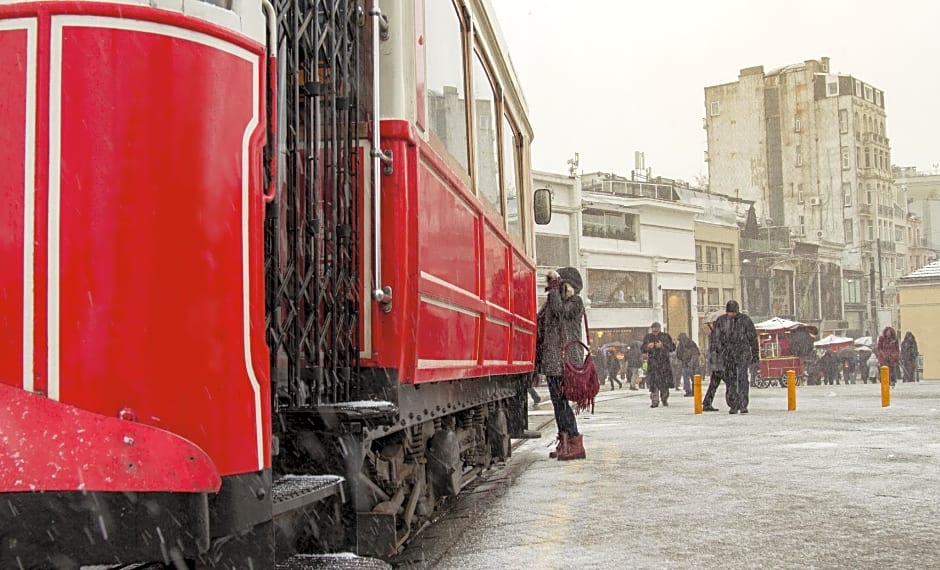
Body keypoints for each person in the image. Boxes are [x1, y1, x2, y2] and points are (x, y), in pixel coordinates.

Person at [534, 267, 587, 461]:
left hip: (565, 362)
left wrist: (555, 289)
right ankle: (564, 442)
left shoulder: (575, 302)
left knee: (563, 404)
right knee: (558, 405)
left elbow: (560, 312)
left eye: (560, 284)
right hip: (552, 362)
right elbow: (541, 323)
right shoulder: (553, 300)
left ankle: (575, 442)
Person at [712, 300, 759, 414]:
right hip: (728, 354)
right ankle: (733, 404)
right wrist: (718, 351)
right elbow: (716, 338)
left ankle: (742, 404)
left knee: (742, 378)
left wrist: (755, 353)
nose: (731, 315)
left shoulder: (745, 320)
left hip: (742, 352)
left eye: (733, 312)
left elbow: (752, 337)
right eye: (729, 312)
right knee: (731, 380)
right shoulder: (722, 321)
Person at [641, 322, 675, 408]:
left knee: (664, 383)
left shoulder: (665, 336)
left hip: (664, 363)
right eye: (653, 330)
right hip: (652, 363)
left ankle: (664, 398)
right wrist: (647, 347)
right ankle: (654, 400)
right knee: (654, 383)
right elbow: (642, 348)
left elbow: (672, 347)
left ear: (660, 329)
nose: (655, 331)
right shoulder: (648, 337)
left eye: (656, 329)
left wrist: (662, 346)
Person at [701, 319, 725, 412]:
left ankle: (707, 402)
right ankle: (735, 401)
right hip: (720, 364)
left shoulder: (713, 335)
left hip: (716, 364)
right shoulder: (718, 335)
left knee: (713, 385)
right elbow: (718, 349)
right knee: (731, 383)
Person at [676, 333, 700, 397]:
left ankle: (688, 391)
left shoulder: (680, 345)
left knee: (686, 379)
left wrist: (683, 359)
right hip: (693, 365)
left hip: (686, 364)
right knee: (693, 379)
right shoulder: (692, 343)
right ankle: (694, 391)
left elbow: (678, 354)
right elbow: (697, 353)